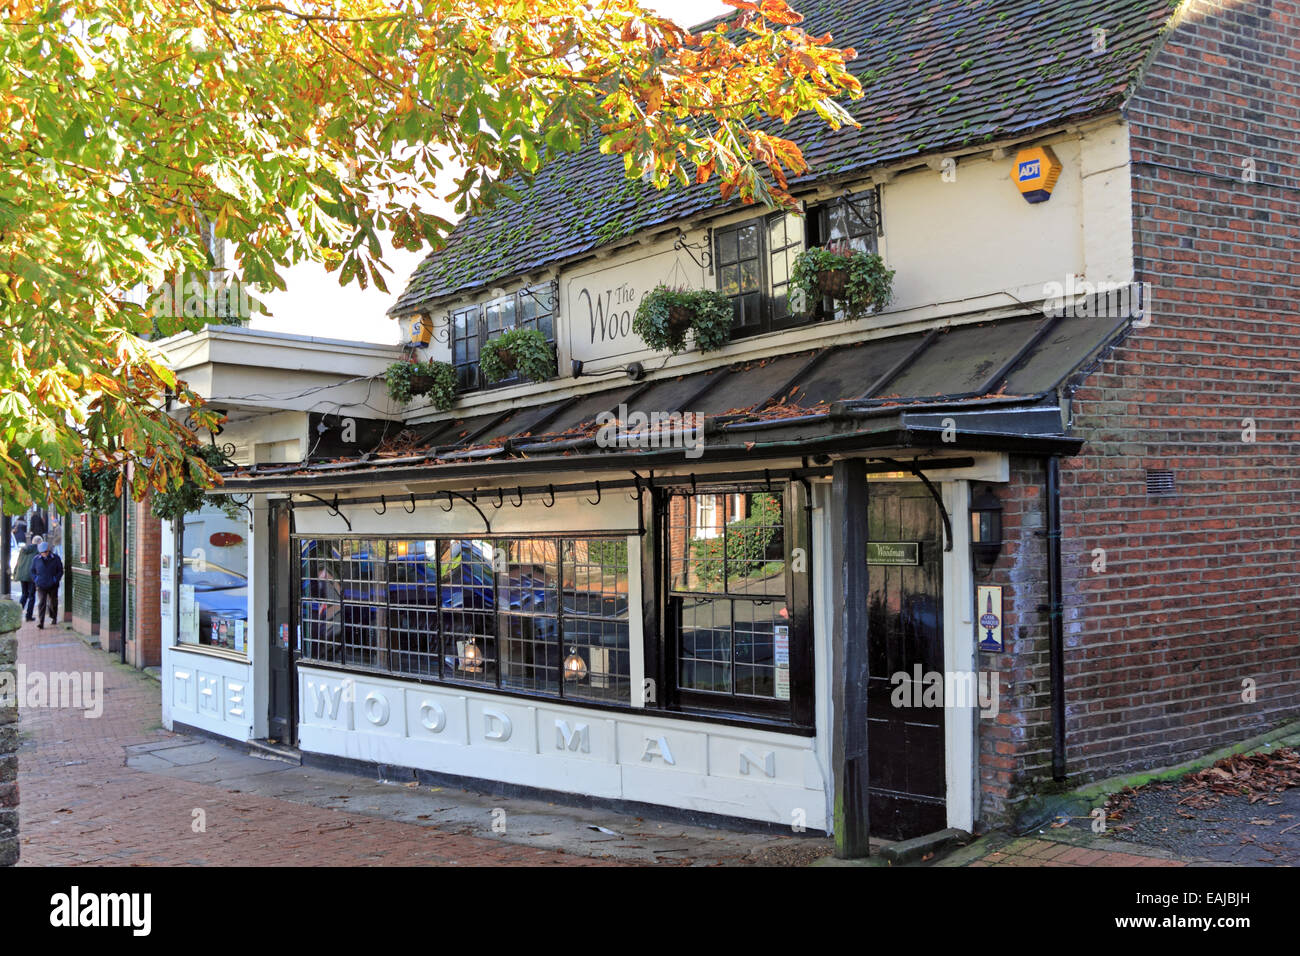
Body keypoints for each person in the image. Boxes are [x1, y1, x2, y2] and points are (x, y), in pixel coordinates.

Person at [31, 541, 63, 630]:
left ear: (49, 550)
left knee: (52, 602)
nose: (44, 554)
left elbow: (60, 570)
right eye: (42, 552)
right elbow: (32, 571)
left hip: (52, 585)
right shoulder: (36, 559)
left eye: (45, 552)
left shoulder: (55, 558)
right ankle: (41, 622)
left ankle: (54, 616)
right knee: (42, 602)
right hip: (41, 585)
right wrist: (36, 579)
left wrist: (55, 579)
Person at [14, 535, 39, 621]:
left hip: (22, 575)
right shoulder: (37, 551)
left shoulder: (23, 550)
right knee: (32, 596)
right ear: (39, 543)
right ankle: (28, 616)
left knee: (24, 594)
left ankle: (17, 614)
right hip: (31, 576)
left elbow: (18, 562)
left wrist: (15, 572)